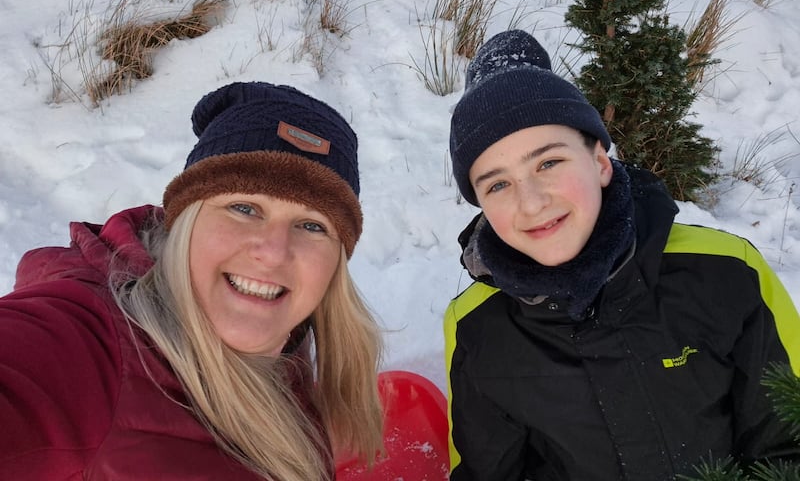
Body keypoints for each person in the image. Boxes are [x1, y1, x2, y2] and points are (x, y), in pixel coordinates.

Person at [444, 29, 800, 480]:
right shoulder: (478, 325)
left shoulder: (727, 273)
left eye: (548, 163)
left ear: (599, 161)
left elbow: (787, 443)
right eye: (497, 184)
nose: (531, 202)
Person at [0, 81, 384, 481]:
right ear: (184, 223)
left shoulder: (288, 340)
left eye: (311, 225)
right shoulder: (88, 344)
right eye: (244, 207)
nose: (273, 252)